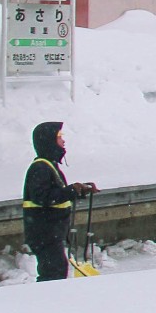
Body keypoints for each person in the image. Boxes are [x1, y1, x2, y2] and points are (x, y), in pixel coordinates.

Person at [21, 121, 96, 282]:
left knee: (57, 270)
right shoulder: (40, 168)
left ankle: (50, 301)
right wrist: (70, 191)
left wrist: (78, 190)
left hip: (49, 231)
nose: (63, 141)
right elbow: (42, 197)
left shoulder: (49, 165)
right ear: (49, 141)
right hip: (44, 232)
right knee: (53, 273)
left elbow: (55, 194)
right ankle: (46, 302)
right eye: (59, 137)